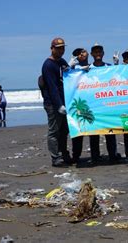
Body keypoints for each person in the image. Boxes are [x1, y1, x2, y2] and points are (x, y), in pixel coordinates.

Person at [88, 43, 121, 164]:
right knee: (94, 132)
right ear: (92, 54)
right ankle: (95, 157)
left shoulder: (109, 67)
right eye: (95, 52)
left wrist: (116, 65)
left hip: (107, 104)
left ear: (103, 53)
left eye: (99, 52)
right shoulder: (88, 69)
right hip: (94, 105)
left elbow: (117, 77)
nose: (97, 54)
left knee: (110, 131)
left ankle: (112, 155)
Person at [41, 37, 71, 167]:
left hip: (65, 102)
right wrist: (59, 105)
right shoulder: (48, 65)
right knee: (54, 131)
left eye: (63, 48)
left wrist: (72, 67)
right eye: (58, 48)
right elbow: (52, 87)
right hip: (53, 104)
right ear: (52, 48)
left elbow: (70, 77)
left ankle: (64, 153)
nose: (61, 51)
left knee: (64, 130)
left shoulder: (62, 61)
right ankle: (55, 157)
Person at [69, 48, 90, 163]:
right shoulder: (73, 69)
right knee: (77, 131)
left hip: (92, 102)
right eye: (78, 54)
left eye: (83, 52)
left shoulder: (93, 68)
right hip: (78, 104)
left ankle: (95, 155)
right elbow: (66, 76)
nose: (81, 54)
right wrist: (70, 67)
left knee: (94, 131)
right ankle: (76, 157)